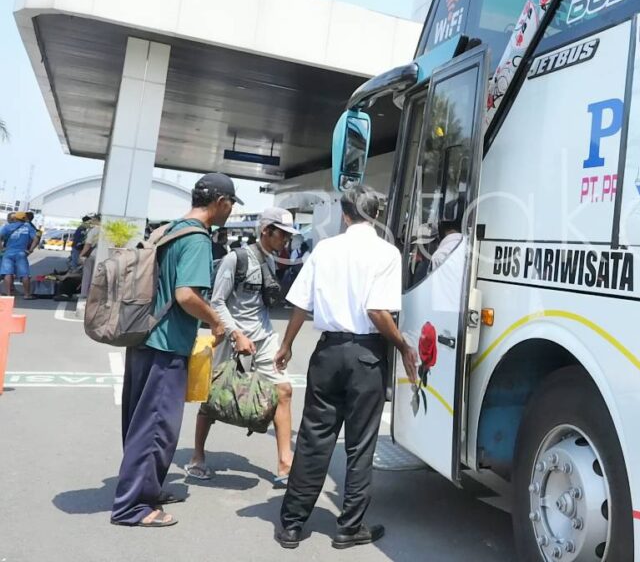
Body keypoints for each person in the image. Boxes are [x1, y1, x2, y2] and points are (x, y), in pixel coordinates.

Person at [272, 186, 418, 550]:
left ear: (345, 214)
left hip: (328, 353)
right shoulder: (387, 253)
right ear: (376, 216)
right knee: (360, 444)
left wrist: (286, 344)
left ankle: (292, 525)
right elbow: (377, 311)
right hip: (366, 356)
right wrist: (402, 346)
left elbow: (301, 304)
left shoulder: (324, 249)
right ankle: (349, 527)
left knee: (313, 438)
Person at [110, 173, 250, 529]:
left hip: (143, 337)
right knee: (156, 426)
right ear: (220, 202)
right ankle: (132, 507)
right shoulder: (197, 238)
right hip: (166, 344)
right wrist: (216, 322)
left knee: (141, 423)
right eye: (230, 204)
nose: (230, 211)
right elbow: (186, 295)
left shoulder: (169, 229)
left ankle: (147, 489)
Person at [186, 208, 299, 486]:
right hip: (232, 339)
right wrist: (236, 334)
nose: (286, 240)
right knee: (213, 397)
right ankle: (197, 457)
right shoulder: (235, 259)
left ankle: (285, 464)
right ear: (266, 231)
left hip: (264, 338)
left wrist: (282, 345)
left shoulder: (271, 260)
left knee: (284, 390)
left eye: (288, 235)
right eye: (282, 234)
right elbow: (217, 302)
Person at [1, 212, 41, 298]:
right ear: (24, 218)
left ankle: (8, 294)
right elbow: (36, 239)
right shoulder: (28, 227)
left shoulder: (7, 226)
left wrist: (1, 248)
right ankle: (27, 294)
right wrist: (30, 250)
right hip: (21, 253)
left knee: (7, 273)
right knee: (24, 274)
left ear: (15, 218)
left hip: (8, 253)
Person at [79, 214, 101, 299]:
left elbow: (88, 245)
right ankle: (94, 294)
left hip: (91, 255)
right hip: (102, 256)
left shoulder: (94, 230)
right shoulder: (107, 231)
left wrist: (81, 255)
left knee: (87, 274)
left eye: (94, 220)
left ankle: (84, 293)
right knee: (96, 276)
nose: (92, 221)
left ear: (98, 220)